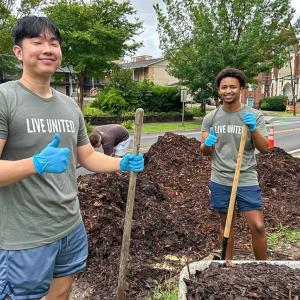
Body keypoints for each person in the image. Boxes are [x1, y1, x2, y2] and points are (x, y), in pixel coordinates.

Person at [0, 16, 144, 300]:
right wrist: (35, 164)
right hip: (24, 236)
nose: (47, 49)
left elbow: (88, 155)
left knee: (62, 293)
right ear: (18, 51)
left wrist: (120, 163)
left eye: (53, 43)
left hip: (70, 225)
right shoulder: (6, 98)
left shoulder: (69, 106)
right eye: (37, 42)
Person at [200, 67, 268, 260]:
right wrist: (207, 144)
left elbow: (265, 149)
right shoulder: (210, 118)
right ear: (218, 90)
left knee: (258, 225)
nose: (228, 91)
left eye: (232, 87)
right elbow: (204, 151)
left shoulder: (254, 115)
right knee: (226, 224)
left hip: (246, 177)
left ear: (241, 89)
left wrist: (253, 129)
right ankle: (227, 264)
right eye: (224, 87)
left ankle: (263, 267)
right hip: (220, 178)